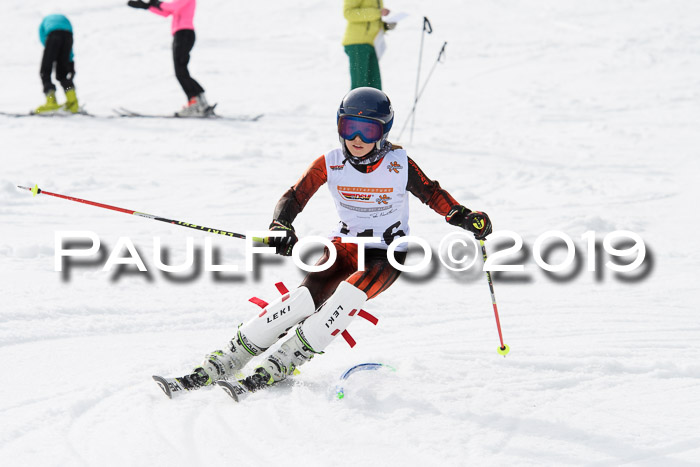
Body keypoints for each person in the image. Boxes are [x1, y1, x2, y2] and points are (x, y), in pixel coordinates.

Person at [156, 88, 492, 397]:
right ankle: (230, 356)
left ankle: (285, 359)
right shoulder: (331, 162)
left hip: (386, 255)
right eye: (349, 128)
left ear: (383, 132)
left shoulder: (398, 164)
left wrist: (463, 217)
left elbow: (431, 193)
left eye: (368, 130)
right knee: (302, 300)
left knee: (345, 297)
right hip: (343, 246)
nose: (357, 139)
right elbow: (295, 195)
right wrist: (280, 224)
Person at [127, 0, 210, 117]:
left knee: (180, 71)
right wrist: (147, 6)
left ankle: (195, 103)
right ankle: (201, 102)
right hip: (182, 34)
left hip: (184, 34)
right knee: (181, 71)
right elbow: (167, 12)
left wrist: (156, 3)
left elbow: (173, 7)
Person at [342, 0, 391, 90]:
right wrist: (377, 12)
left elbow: (371, 21)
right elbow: (348, 13)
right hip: (357, 43)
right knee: (359, 85)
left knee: (375, 85)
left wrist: (386, 26)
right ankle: (354, 104)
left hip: (373, 43)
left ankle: (375, 104)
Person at [36, 14, 79, 114]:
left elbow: (43, 38)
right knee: (62, 75)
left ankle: (51, 102)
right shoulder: (66, 21)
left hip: (53, 37)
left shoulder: (44, 22)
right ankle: (73, 102)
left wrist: (51, 54)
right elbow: (70, 44)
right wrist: (70, 62)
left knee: (45, 72)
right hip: (68, 37)